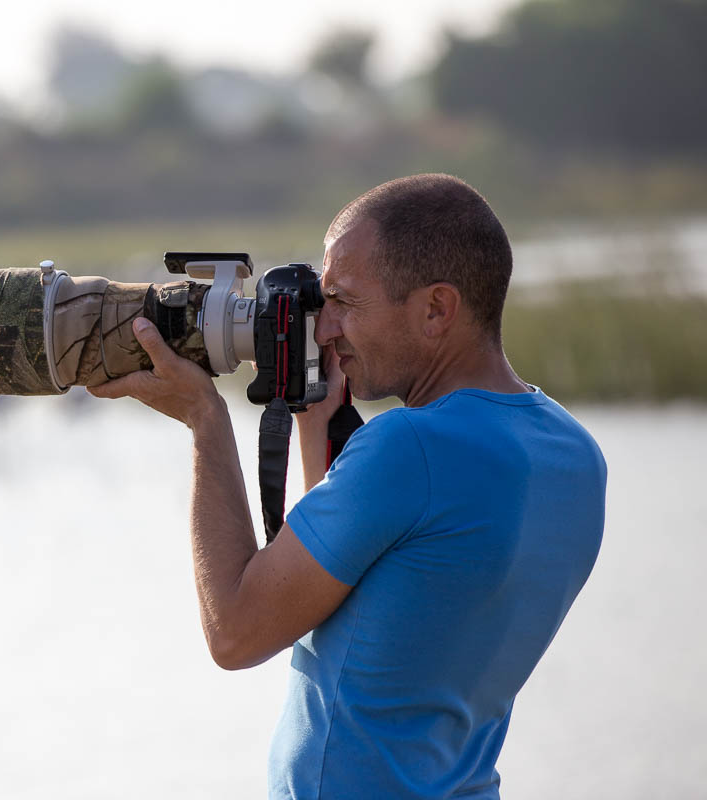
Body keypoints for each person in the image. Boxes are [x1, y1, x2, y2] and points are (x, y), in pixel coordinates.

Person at [88, 173, 607, 799]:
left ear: (437, 309)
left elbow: (235, 632)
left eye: (344, 302)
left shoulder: (406, 449)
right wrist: (316, 422)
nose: (325, 326)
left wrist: (205, 420)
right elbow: (366, 584)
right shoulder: (573, 454)